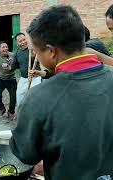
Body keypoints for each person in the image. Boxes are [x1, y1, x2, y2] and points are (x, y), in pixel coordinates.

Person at [9, 5, 113, 180]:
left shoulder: (38, 98)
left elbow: (25, 154)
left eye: (36, 51)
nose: (37, 57)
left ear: (51, 51)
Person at [11, 33, 42, 105]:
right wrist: (8, 65)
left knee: (34, 97)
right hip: (24, 78)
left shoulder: (32, 49)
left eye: (24, 40)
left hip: (35, 78)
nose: (23, 42)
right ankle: (21, 112)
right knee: (19, 95)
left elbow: (39, 58)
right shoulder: (17, 53)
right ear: (17, 43)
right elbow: (13, 67)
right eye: (20, 41)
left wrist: (33, 54)